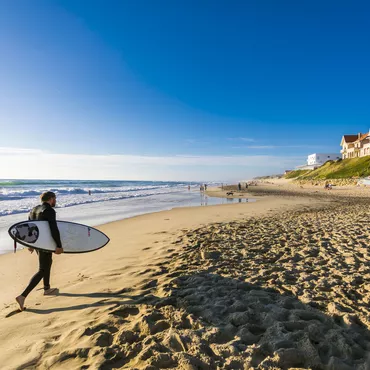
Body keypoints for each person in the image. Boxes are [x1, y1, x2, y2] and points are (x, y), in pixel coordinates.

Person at [16, 191, 63, 311]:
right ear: (51, 199)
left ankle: (47, 288)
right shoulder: (49, 210)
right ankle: (22, 296)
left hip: (38, 243)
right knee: (43, 269)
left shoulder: (33, 209)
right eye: (55, 199)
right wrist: (58, 245)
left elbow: (29, 227)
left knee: (47, 263)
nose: (55, 201)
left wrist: (30, 244)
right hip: (45, 244)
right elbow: (53, 228)